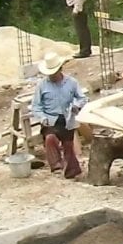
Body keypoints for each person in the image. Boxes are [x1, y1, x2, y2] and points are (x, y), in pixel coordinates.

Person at [31, 51, 87, 179]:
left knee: (68, 144)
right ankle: (56, 166)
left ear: (60, 69)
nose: (52, 76)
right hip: (50, 118)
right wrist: (42, 117)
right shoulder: (42, 85)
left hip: (67, 118)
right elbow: (36, 106)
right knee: (50, 138)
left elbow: (82, 98)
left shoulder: (72, 82)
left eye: (54, 73)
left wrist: (76, 105)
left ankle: (72, 170)